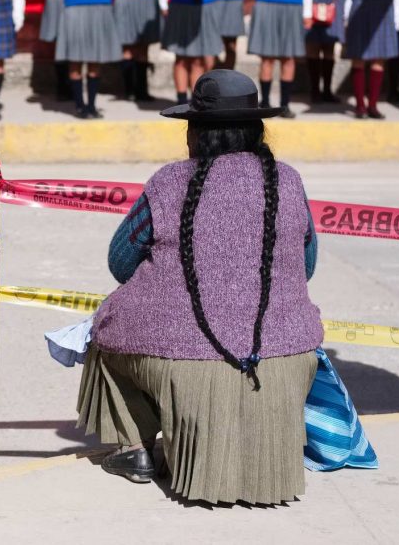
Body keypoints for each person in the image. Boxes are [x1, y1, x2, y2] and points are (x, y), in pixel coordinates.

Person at [71, 69, 324, 503]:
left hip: (182, 363)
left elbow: (120, 262)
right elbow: (306, 266)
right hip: (286, 361)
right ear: (257, 129)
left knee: (106, 326)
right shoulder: (289, 180)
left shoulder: (169, 181)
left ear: (195, 133)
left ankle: (135, 448)